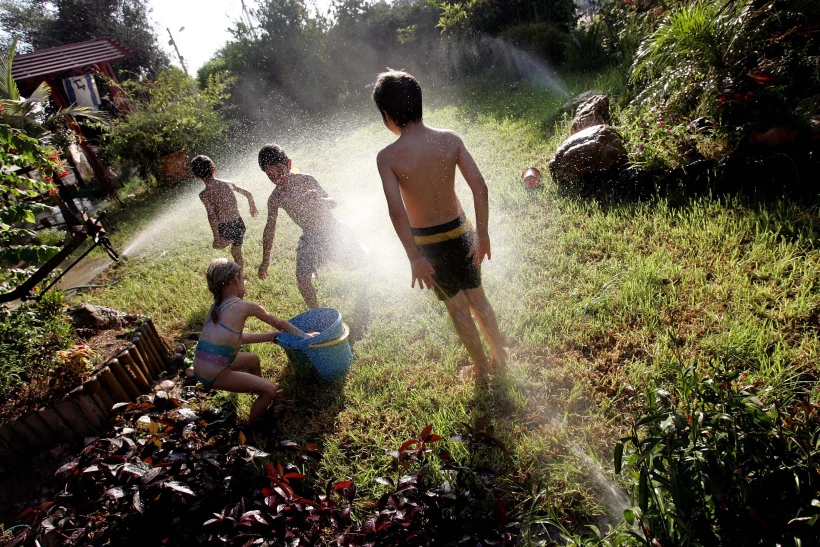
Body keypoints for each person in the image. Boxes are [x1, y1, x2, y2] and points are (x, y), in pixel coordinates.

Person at [372, 70, 507, 380]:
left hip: (429, 245)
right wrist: (483, 234)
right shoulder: (449, 140)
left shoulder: (388, 157)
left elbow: (397, 212)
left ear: (386, 115)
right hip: (462, 232)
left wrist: (414, 257)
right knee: (478, 298)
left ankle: (482, 368)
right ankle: (501, 357)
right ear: (420, 104)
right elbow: (480, 188)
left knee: (458, 307)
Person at [193, 258, 313, 424]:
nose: (245, 282)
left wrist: (270, 336)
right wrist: (306, 336)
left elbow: (236, 340)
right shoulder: (245, 306)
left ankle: (259, 389)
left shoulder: (215, 307)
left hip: (202, 365)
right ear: (236, 279)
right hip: (214, 373)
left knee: (252, 359)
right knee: (272, 390)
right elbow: (280, 323)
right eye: (244, 278)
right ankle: (251, 428)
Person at [257, 144, 367, 309]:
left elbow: (333, 203)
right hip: (309, 237)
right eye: (271, 176)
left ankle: (368, 255)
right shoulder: (276, 198)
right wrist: (265, 260)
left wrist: (321, 200)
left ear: (289, 164)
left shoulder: (306, 180)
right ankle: (316, 313)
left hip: (333, 231)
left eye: (279, 172)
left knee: (353, 265)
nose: (278, 179)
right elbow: (269, 229)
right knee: (302, 278)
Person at [192, 155, 258, 271]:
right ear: (214, 169)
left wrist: (217, 237)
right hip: (239, 224)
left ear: (196, 176)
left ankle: (227, 244)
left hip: (225, 227)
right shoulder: (229, 184)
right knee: (236, 252)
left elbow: (211, 216)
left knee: (217, 246)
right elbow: (248, 194)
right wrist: (252, 206)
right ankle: (240, 276)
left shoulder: (204, 194)